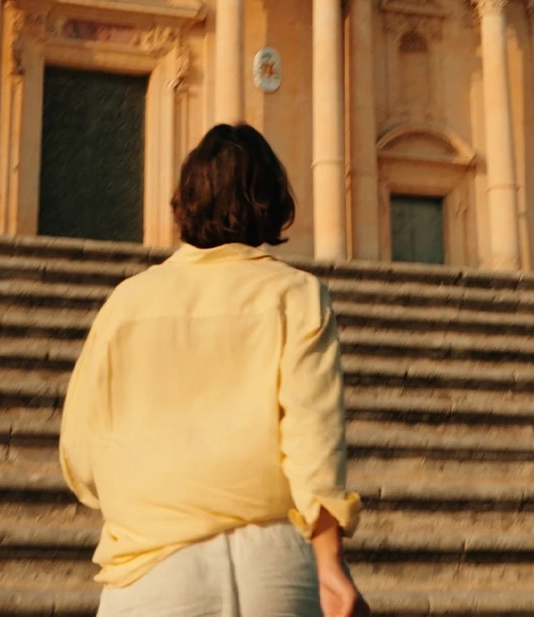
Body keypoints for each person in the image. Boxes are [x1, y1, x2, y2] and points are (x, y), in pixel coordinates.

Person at [60, 123, 369, 617]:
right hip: (274, 562)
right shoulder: (296, 295)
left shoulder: (125, 304)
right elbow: (313, 433)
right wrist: (330, 562)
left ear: (186, 201)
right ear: (272, 200)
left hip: (149, 569)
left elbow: (80, 454)